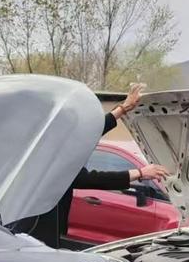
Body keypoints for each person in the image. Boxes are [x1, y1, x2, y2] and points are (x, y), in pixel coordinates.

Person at [23, 84, 169, 248]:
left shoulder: (50, 142)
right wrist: (140, 173)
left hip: (44, 229)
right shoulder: (43, 151)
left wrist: (123, 109)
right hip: (34, 232)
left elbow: (86, 136)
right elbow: (86, 178)